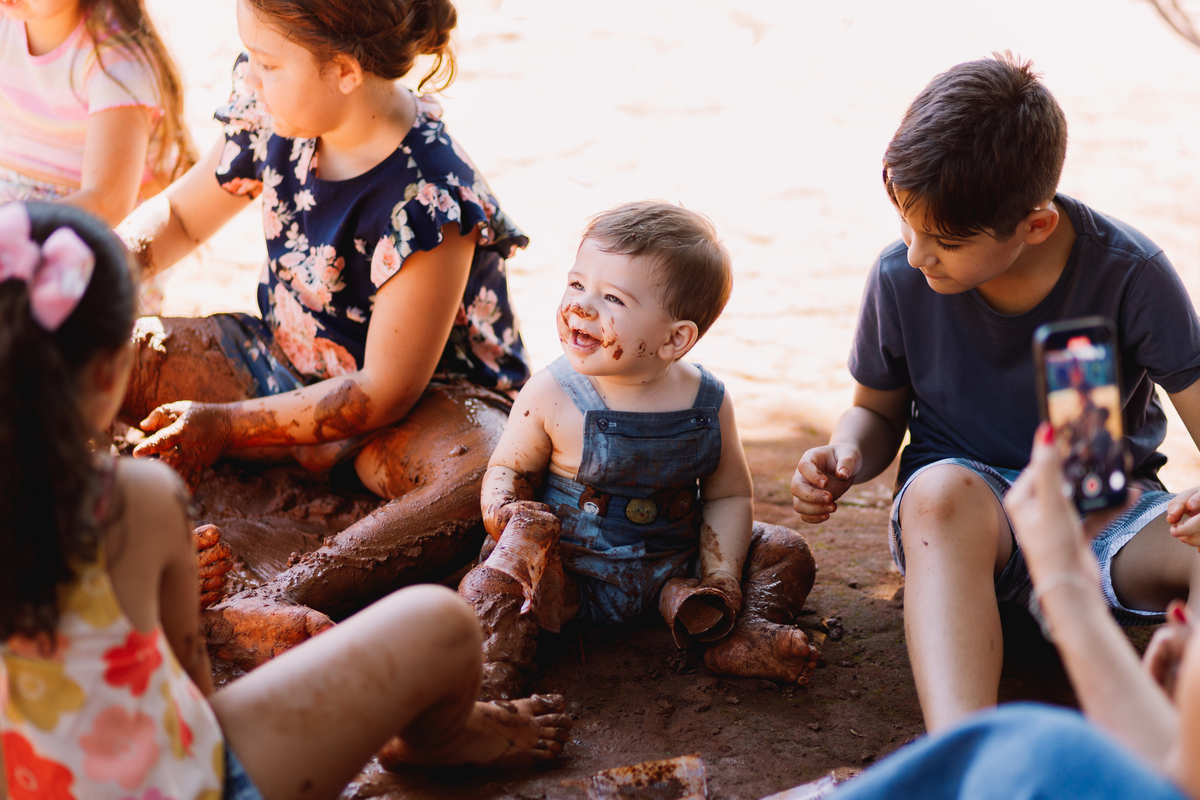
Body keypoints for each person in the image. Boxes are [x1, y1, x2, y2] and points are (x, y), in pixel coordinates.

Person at [0, 202, 570, 800]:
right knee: (440, 623)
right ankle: (441, 739)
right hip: (174, 784)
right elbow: (189, 692)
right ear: (113, 369)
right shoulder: (138, 500)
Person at [113, 0, 531, 669]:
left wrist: (223, 425)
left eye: (269, 62)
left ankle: (272, 601)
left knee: (480, 477)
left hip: (413, 413)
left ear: (344, 70)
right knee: (99, 349)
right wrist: (94, 263)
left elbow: (383, 391)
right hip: (279, 361)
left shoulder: (432, 196)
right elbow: (183, 220)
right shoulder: (273, 106)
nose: (250, 74)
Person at [790, 53, 1200, 732]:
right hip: (964, 516)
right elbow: (874, 412)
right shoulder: (900, 277)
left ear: (1035, 225)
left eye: (946, 241)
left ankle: (1182, 754)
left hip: (1108, 520)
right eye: (906, 224)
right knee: (938, 493)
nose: (918, 254)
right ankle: (965, 747)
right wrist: (845, 454)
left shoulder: (1130, 273)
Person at [457, 202, 819, 699]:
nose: (581, 307)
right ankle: (496, 678)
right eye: (577, 284)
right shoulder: (551, 393)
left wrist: (721, 575)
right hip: (569, 576)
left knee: (785, 551)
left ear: (675, 339)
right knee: (491, 585)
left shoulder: (707, 402)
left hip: (680, 568)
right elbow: (507, 468)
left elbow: (728, 495)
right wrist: (508, 513)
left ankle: (740, 630)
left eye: (613, 298)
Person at [809, 430, 1200, 799]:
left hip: (1118, 511)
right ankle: (961, 758)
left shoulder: (1044, 749)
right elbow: (1175, 776)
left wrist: (1068, 595)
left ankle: (961, 766)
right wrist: (1070, 600)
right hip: (966, 498)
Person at [0, 0, 194, 224]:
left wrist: (13, 224)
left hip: (77, 213)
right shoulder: (7, 20)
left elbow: (108, 204)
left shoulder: (115, 63)